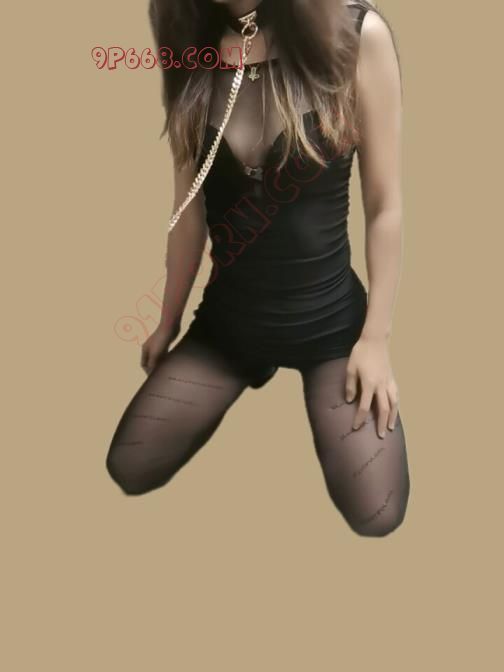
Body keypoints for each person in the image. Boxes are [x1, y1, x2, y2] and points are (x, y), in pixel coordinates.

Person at [106, 0, 411, 537]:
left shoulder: (356, 34)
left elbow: (384, 204)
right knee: (130, 464)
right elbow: (187, 213)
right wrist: (167, 320)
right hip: (231, 322)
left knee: (378, 509)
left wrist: (375, 339)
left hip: (328, 324)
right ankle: (255, 364)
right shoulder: (192, 45)